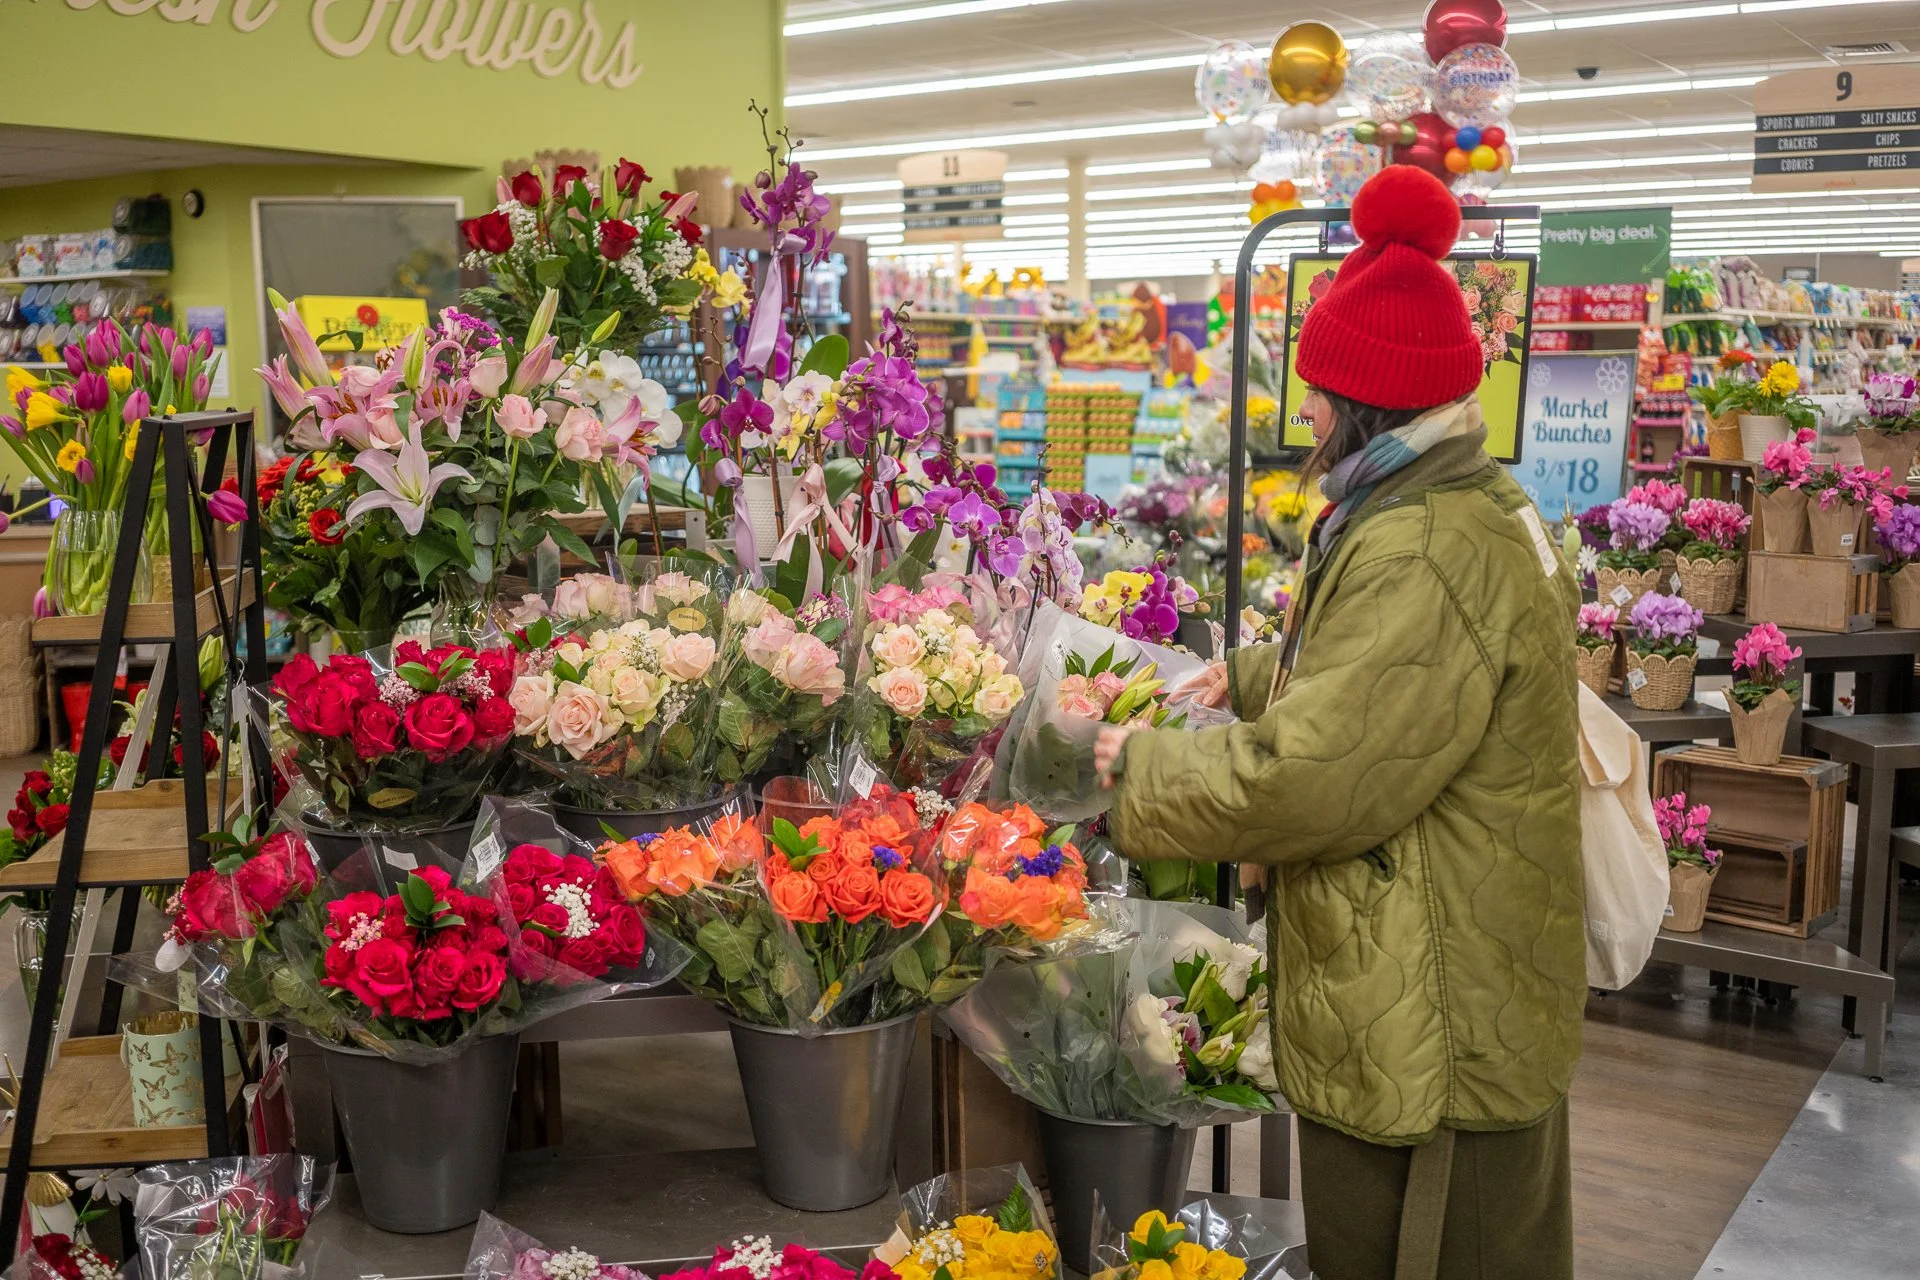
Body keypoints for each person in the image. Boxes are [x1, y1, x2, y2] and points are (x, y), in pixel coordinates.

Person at [1095, 164, 1585, 1280]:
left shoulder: (1421, 541)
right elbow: (1403, 693)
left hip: (1430, 1008)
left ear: (1369, 395)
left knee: (1424, 1248)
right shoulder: (1447, 504)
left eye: (1316, 387)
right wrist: (1261, 674)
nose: (1302, 408)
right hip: (1445, 968)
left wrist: (1145, 770)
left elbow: (1320, 779)